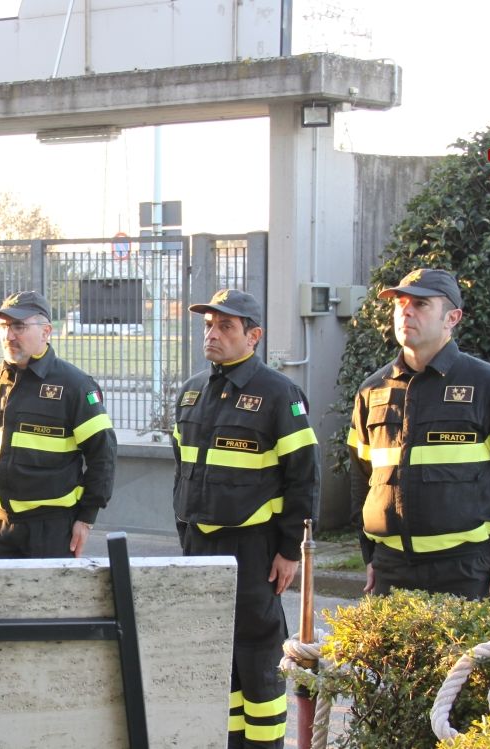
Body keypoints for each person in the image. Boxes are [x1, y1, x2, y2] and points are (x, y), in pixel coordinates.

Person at [172, 289, 317, 748]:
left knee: (257, 657)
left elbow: (304, 479)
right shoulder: (193, 391)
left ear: (253, 336)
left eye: (226, 327)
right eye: (208, 327)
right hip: (200, 545)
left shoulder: (279, 393)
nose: (212, 335)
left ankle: (263, 744)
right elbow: (184, 471)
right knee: (218, 654)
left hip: (253, 548)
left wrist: (288, 550)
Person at [347, 268, 490, 601]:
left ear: (452, 317)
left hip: (464, 570)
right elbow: (361, 478)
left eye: (420, 304)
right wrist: (370, 554)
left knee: (463, 656)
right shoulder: (372, 390)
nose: (405, 312)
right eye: (400, 304)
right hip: (391, 569)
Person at [0, 290, 116, 558]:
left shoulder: (75, 385)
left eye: (19, 326)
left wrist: (86, 518)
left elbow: (103, 456)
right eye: (3, 327)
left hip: (52, 528)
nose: (9, 336)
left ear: (46, 332)